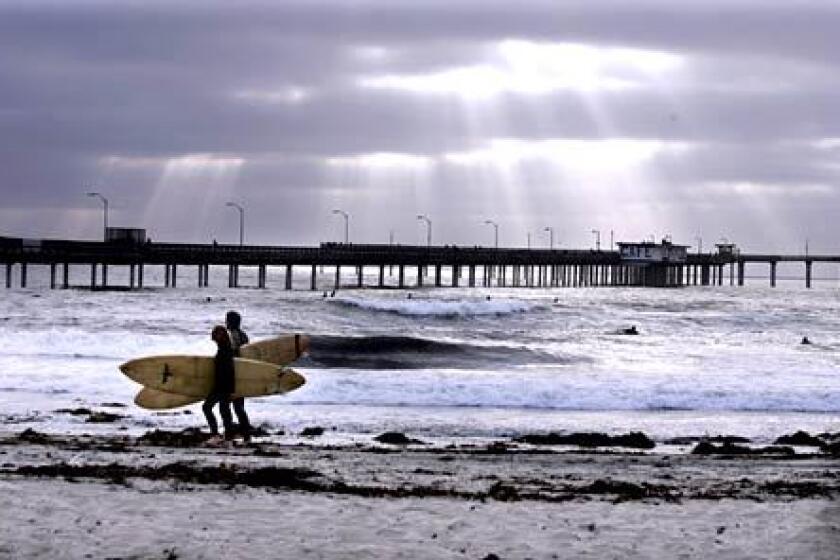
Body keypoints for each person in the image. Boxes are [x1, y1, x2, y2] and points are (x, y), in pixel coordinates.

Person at [204, 325, 235, 442]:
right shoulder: (224, 348)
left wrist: (231, 390)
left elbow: (230, 370)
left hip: (222, 386)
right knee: (224, 410)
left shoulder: (225, 350)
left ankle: (216, 435)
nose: (215, 336)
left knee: (207, 407)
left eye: (217, 334)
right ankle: (227, 436)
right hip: (223, 385)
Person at [226, 310, 253, 442]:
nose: (226, 322)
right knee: (238, 406)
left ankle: (230, 434)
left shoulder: (232, 336)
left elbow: (232, 354)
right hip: (242, 375)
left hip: (232, 375)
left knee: (226, 406)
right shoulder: (244, 336)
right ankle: (246, 433)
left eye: (227, 320)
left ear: (231, 322)